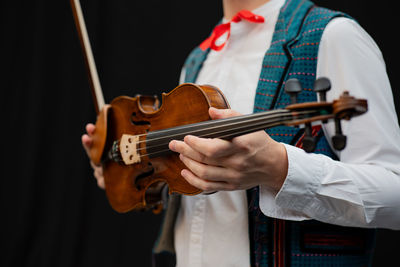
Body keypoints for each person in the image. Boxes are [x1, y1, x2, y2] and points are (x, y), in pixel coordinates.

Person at [82, 0, 400, 266]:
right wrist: (122, 169)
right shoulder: (200, 58)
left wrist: (281, 168)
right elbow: (184, 180)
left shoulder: (334, 36)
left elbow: (395, 194)